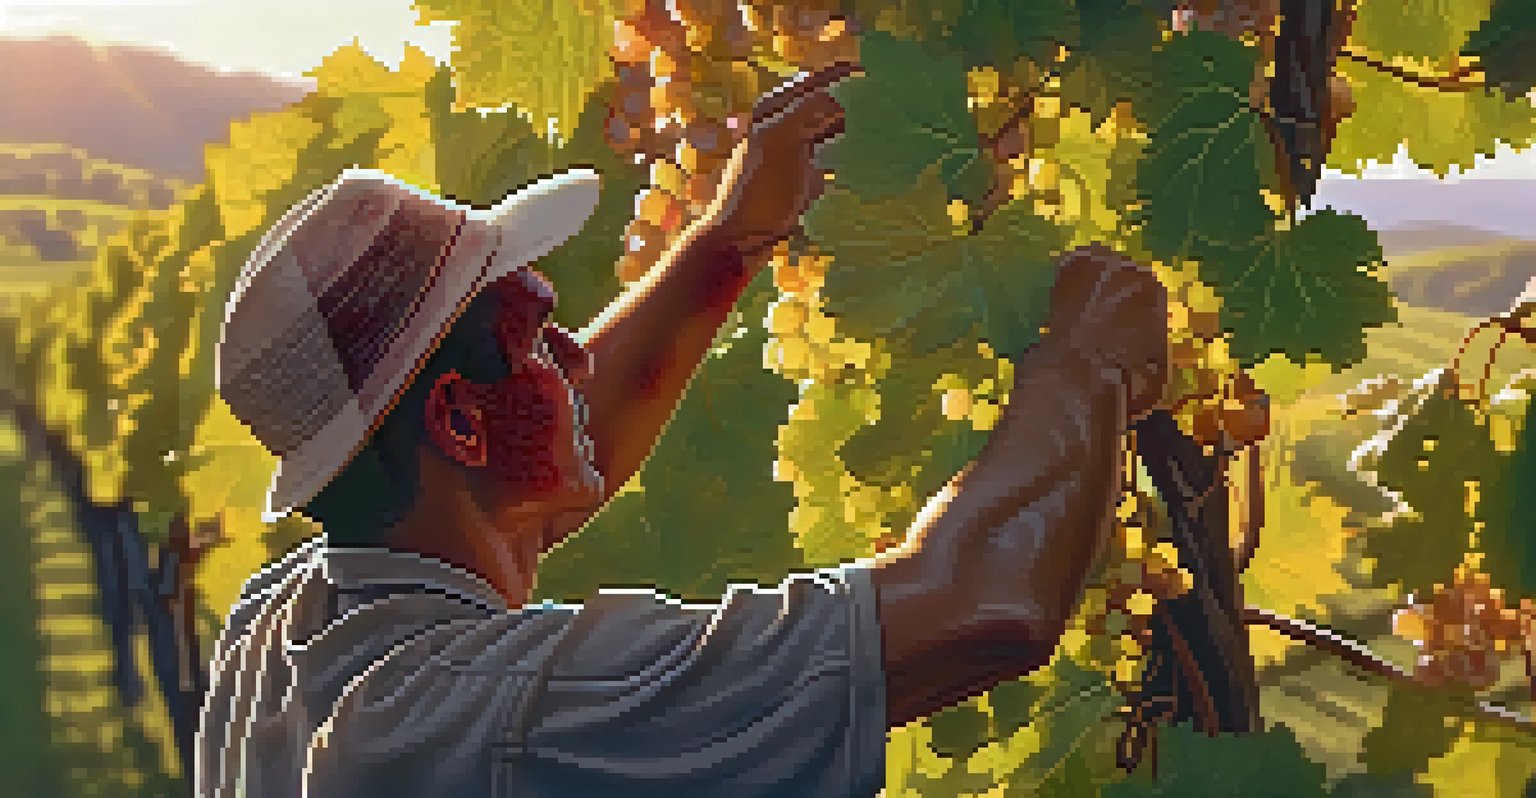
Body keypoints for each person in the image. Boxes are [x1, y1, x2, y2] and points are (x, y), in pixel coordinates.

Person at [197, 62, 1170, 798]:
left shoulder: (283, 628)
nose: (577, 357)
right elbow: (983, 604)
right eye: (539, 338)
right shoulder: (503, 715)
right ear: (455, 417)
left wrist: (729, 243)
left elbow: (510, 484)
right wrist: (1086, 363)